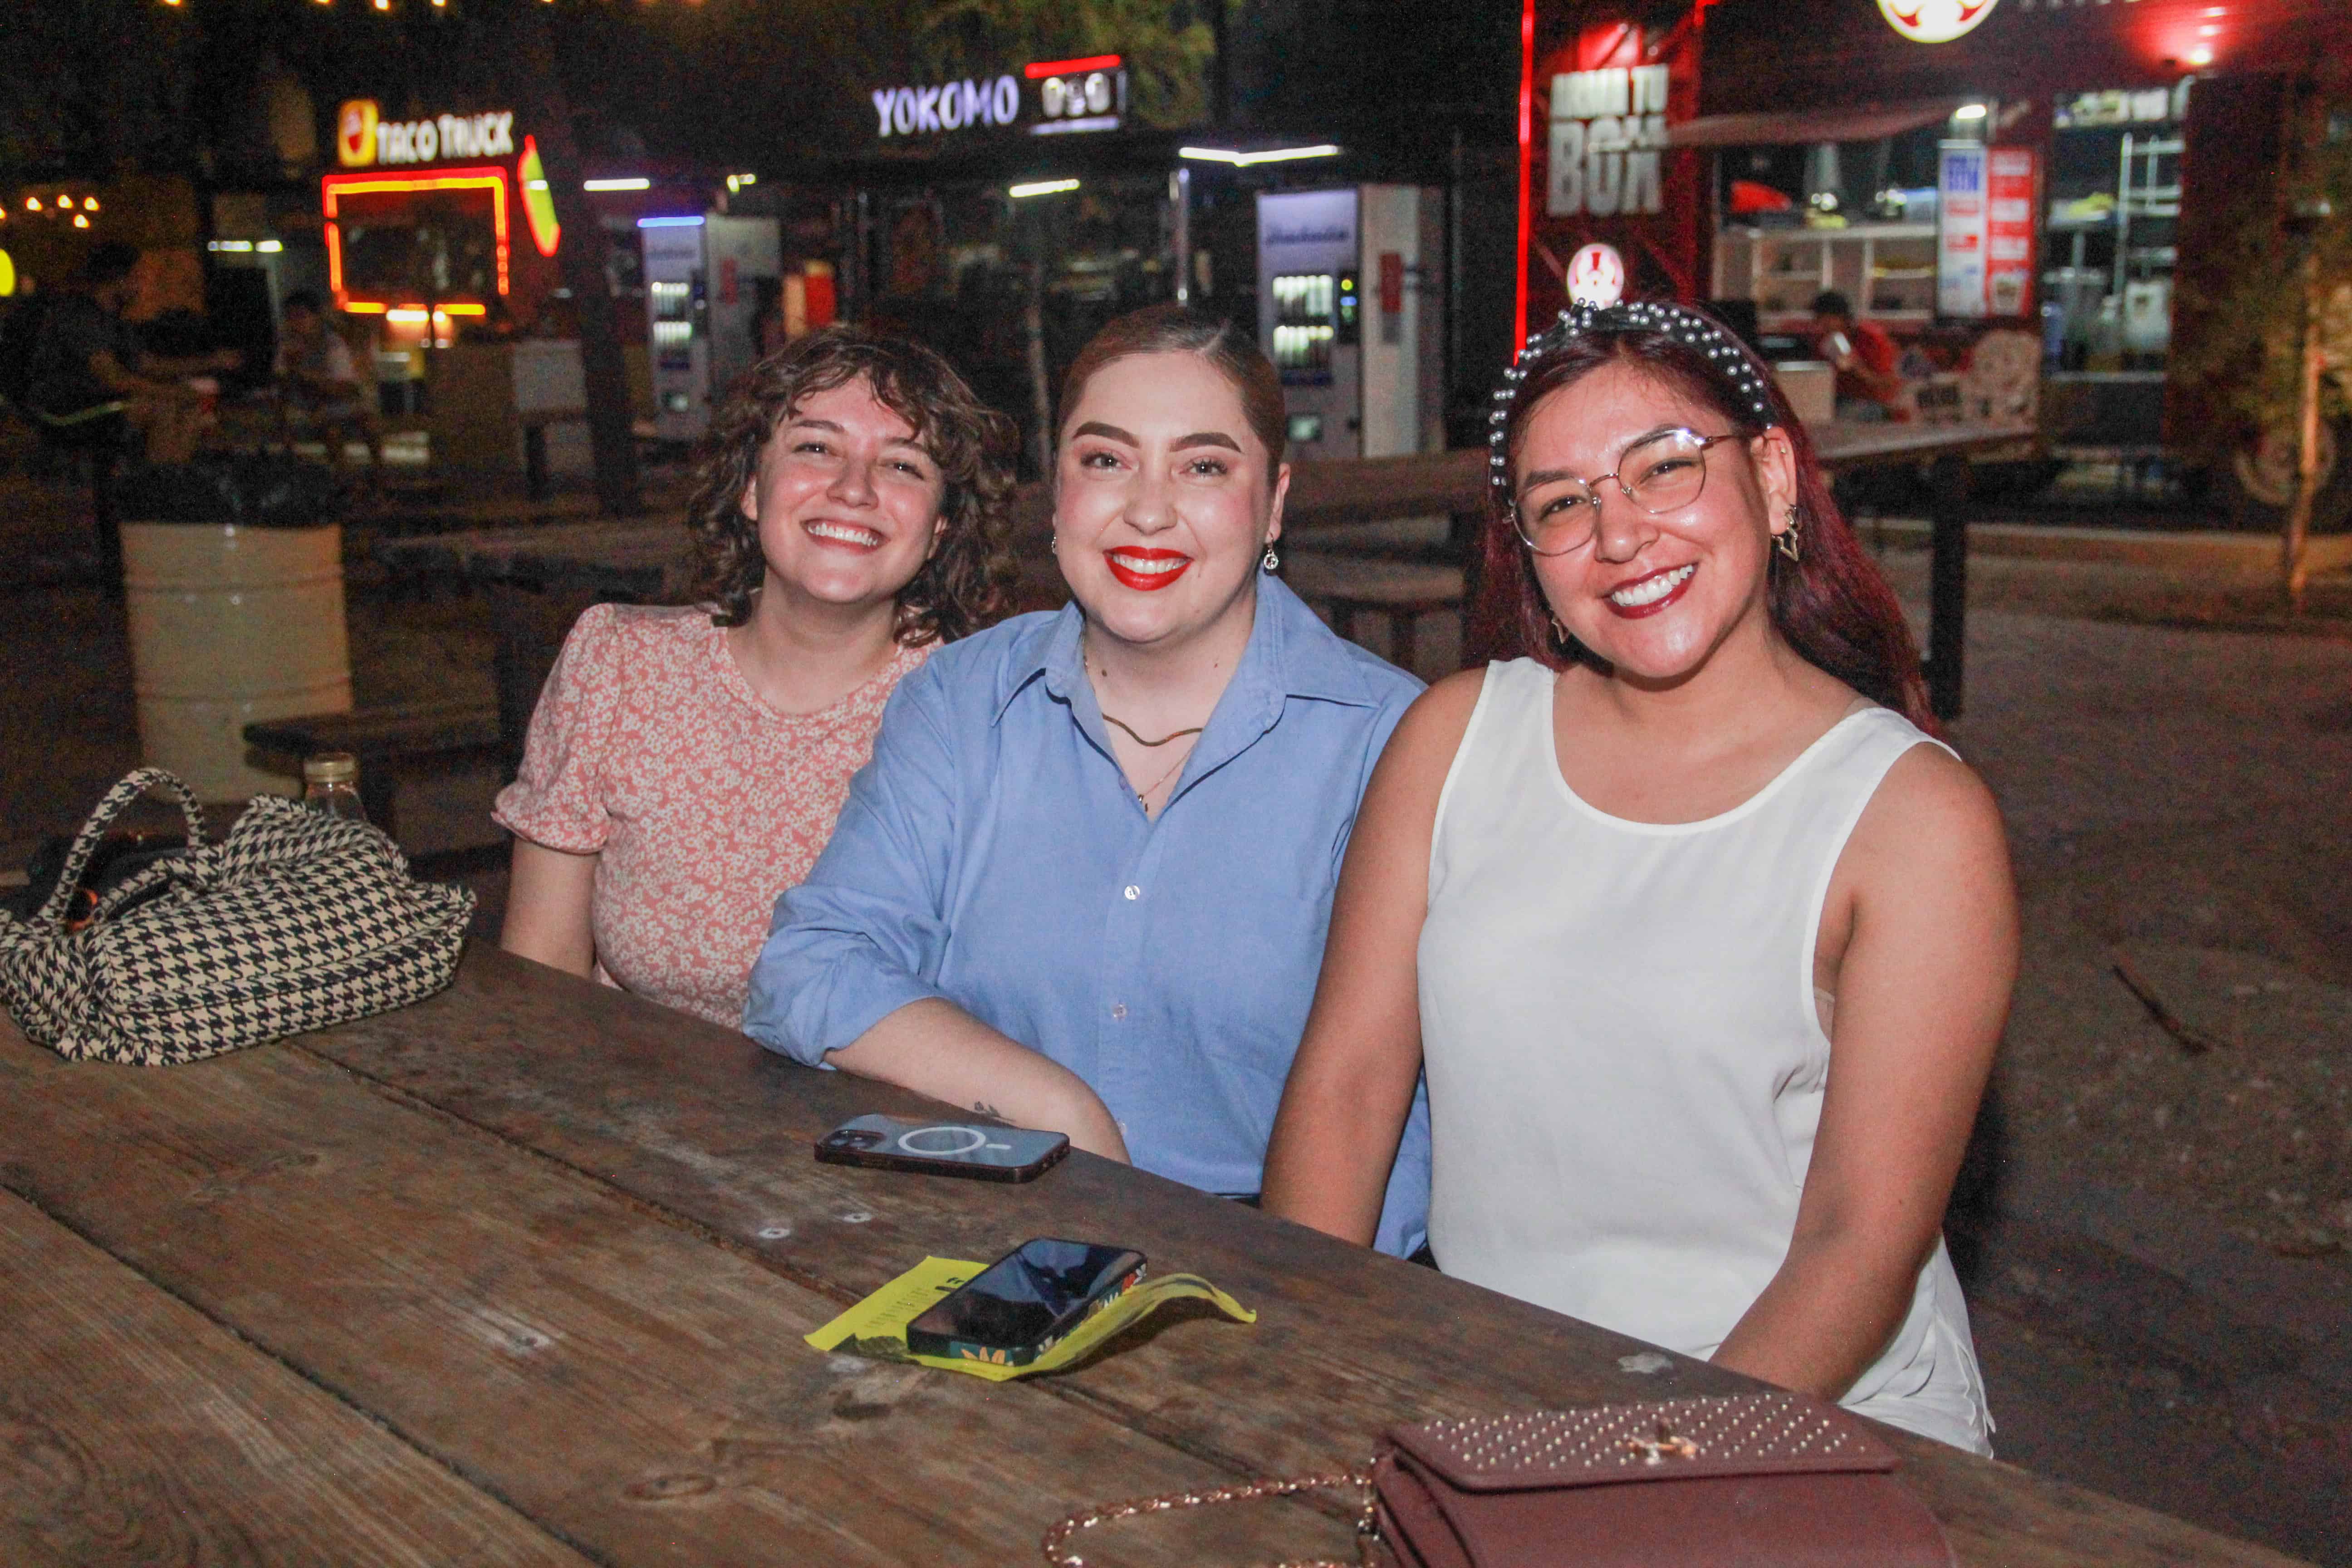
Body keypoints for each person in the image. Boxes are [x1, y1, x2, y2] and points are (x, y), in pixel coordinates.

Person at [1262, 300, 2015, 1450]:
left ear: (1770, 478)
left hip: (1806, 1416)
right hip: (1486, 1390)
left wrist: (1629, 1471)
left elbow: (1857, 1243)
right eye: (1562, 501)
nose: (1617, 535)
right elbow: (1348, 1084)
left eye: (1662, 469)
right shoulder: (1454, 740)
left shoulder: (1912, 817)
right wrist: (1298, 1367)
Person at [745, 304, 1434, 1255]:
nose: (1147, 509)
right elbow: (811, 963)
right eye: (1106, 460)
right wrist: (1066, 1110)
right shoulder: (961, 700)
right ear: (1058, 492)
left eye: (1203, 467)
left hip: (1296, 1276)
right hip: (997, 1235)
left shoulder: (1392, 740)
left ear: (1273, 504)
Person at [494, 328, 1018, 1028]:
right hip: (634, 1098)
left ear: (941, 528)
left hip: (880, 1124)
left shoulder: (980, 712)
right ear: (750, 488)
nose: (854, 488)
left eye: (902, 466)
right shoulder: (620, 665)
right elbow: (541, 974)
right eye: (816, 448)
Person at [24, 243, 238, 466]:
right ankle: (155, 486)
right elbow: (114, 379)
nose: (142, 285)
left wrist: (213, 362)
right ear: (119, 279)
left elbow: (147, 364)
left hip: (103, 401)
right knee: (162, 408)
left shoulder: (115, 319)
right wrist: (171, 391)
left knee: (187, 407)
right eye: (137, 277)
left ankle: (173, 482)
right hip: (70, 408)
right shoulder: (81, 316)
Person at [274, 289, 385, 482]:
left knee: (368, 423)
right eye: (291, 318)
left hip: (335, 403)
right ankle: (341, 478)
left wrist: (313, 380)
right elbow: (282, 382)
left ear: (316, 317)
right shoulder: (289, 347)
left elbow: (346, 387)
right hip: (305, 407)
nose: (296, 323)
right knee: (330, 430)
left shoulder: (332, 345)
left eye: (301, 316)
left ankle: (380, 476)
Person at [1808, 290, 1905, 421]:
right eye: (1819, 322)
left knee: (1841, 415)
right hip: (1837, 400)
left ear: (1842, 317)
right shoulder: (1826, 341)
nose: (1823, 327)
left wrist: (1858, 368)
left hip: (1872, 403)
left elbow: (1889, 384)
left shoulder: (1870, 338)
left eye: (1827, 321)